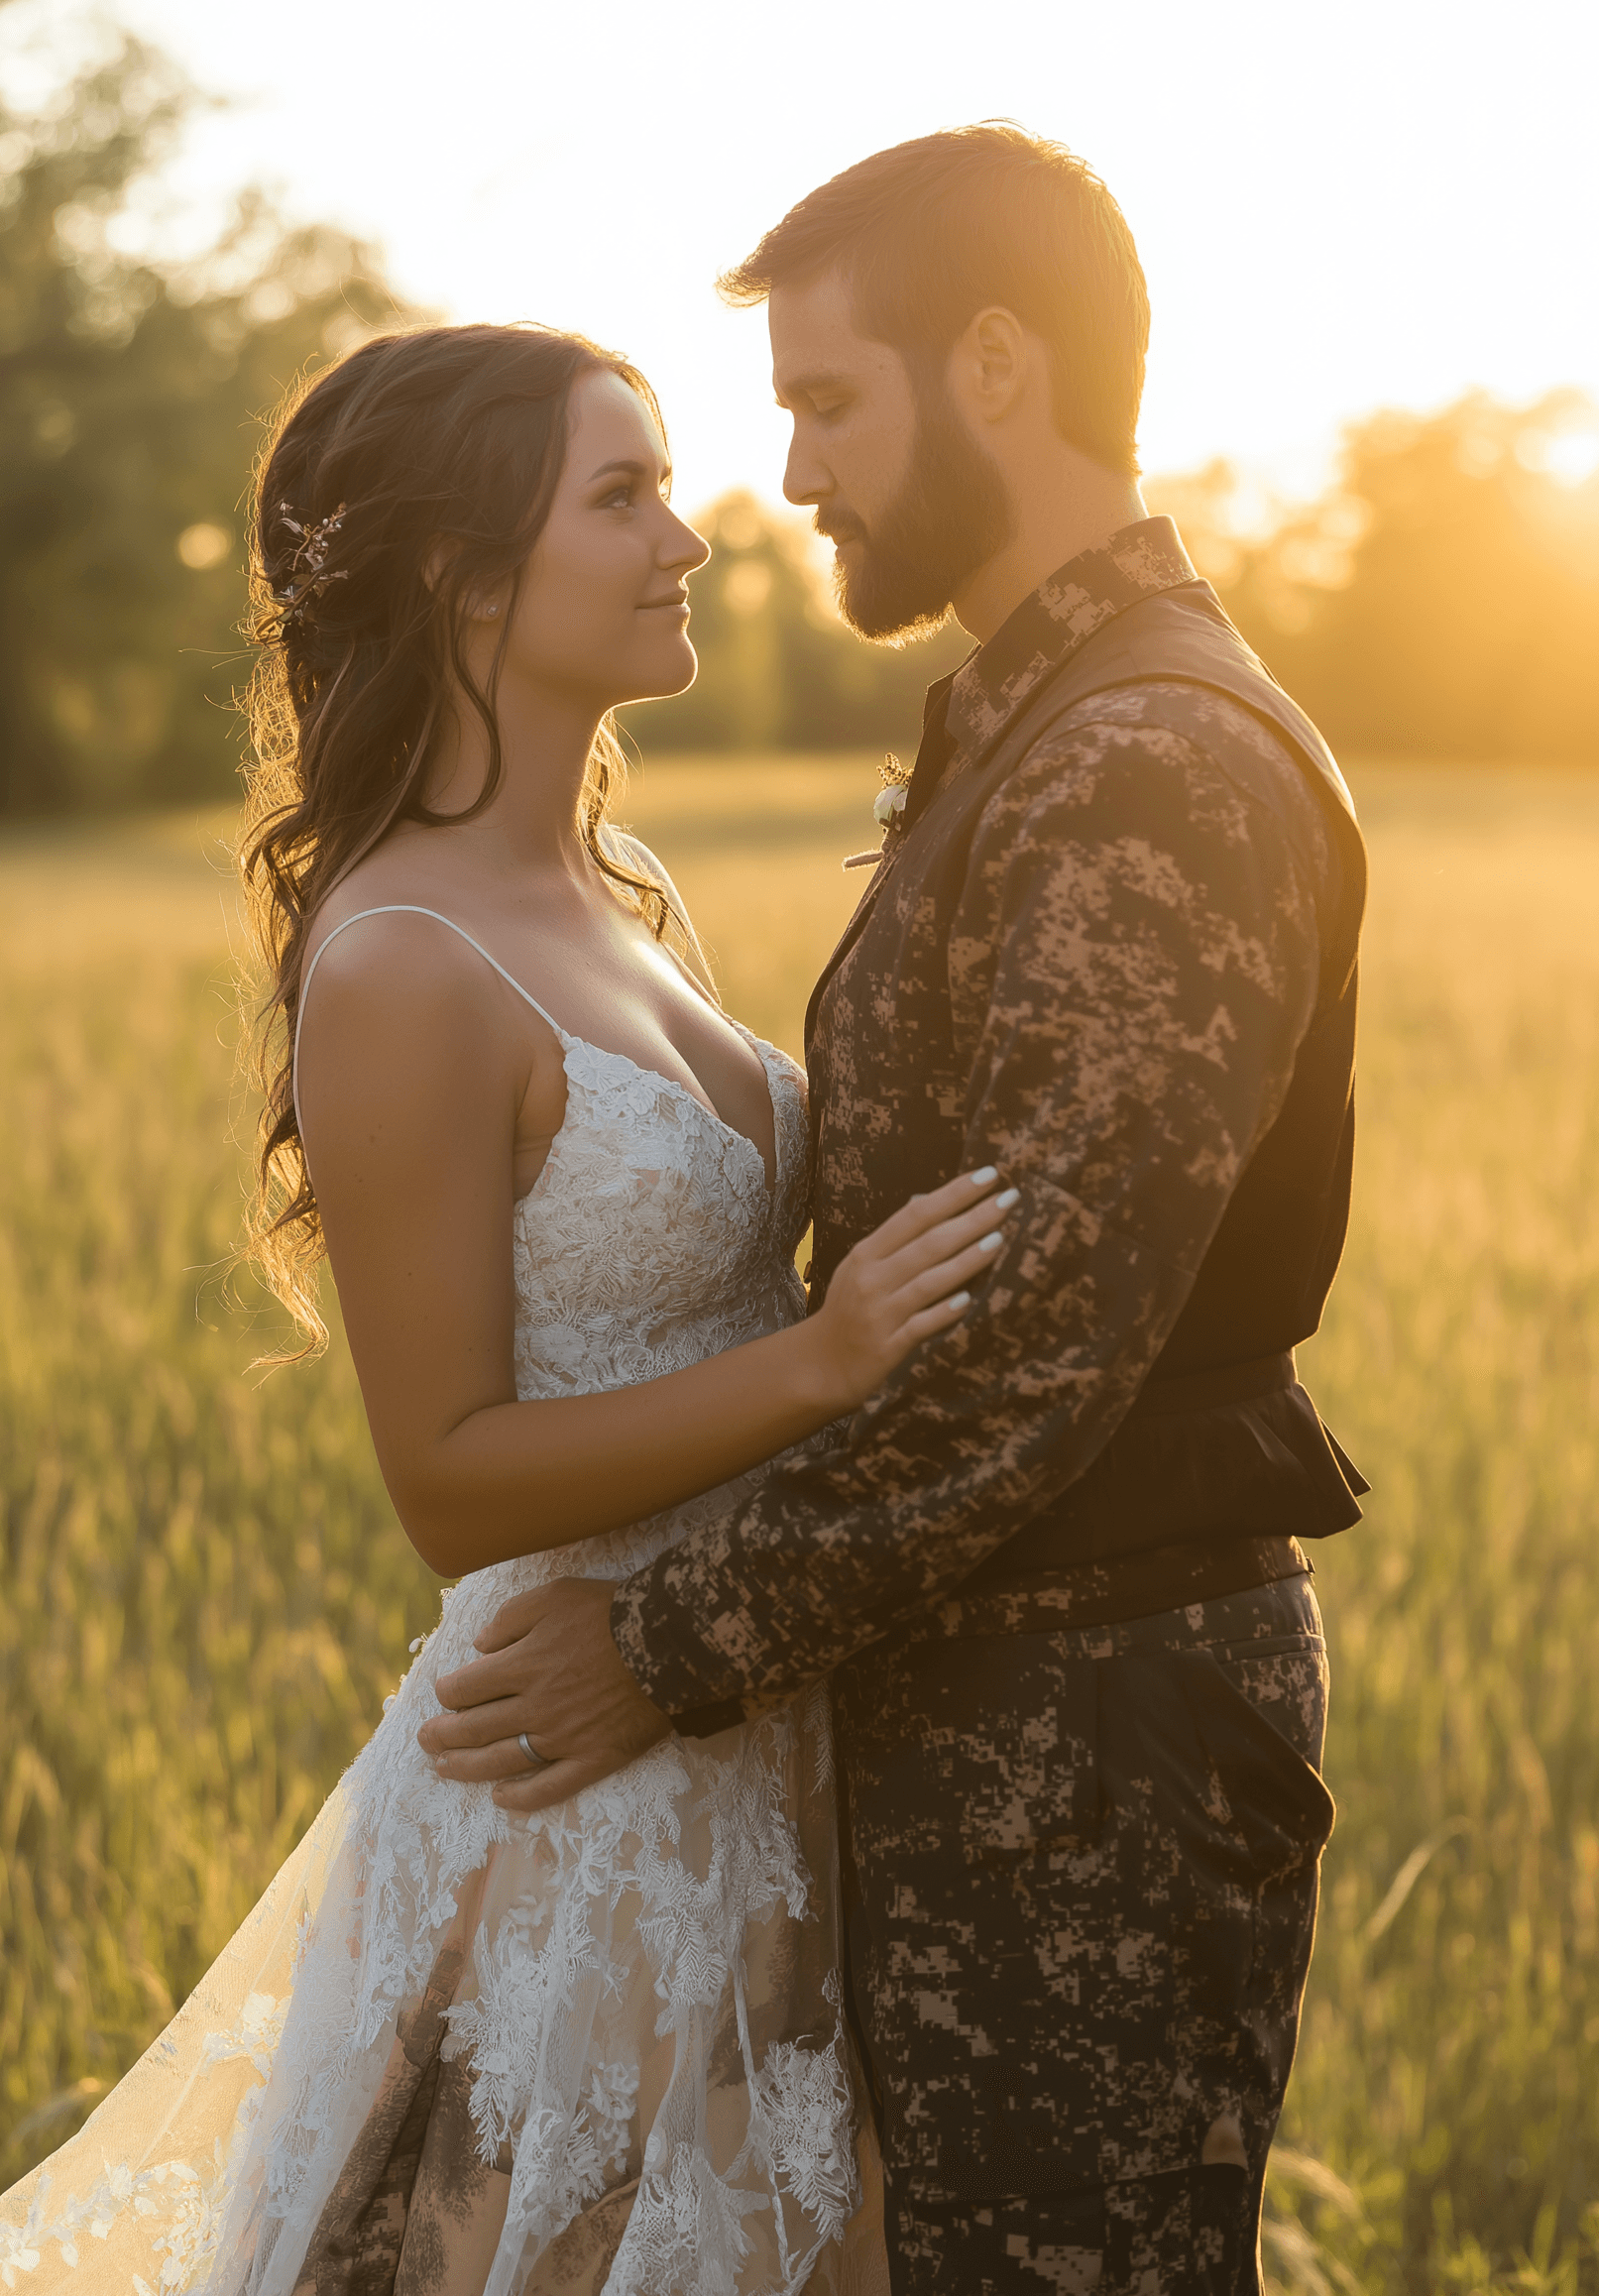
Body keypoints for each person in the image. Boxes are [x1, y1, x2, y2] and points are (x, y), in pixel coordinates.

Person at [0, 324, 1014, 2295]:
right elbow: (450, 1475)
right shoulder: (400, 958)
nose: (691, 535)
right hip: (564, 1796)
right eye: (622, 493)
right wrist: (831, 1355)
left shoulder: (624, 887)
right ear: (460, 572)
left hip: (745, 1716)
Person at [424, 126, 1372, 2296]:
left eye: (827, 402)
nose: (790, 471)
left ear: (1002, 367)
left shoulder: (1144, 755)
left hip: (1094, 1740)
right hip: (1002, 1712)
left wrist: (658, 1647)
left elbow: (1030, 1352)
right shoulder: (1040, 721)